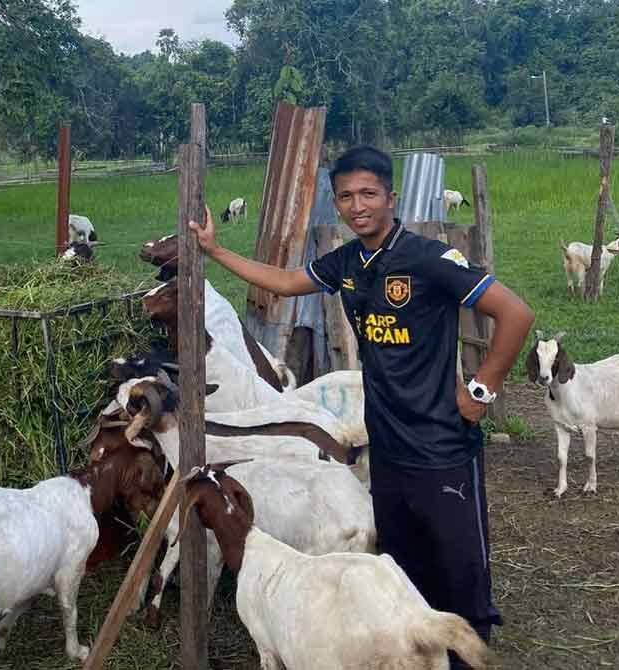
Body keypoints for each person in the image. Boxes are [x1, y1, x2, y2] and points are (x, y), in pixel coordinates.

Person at [189, 145, 534, 666]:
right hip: (387, 448)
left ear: (391, 197)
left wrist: (481, 391)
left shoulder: (428, 259)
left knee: (461, 573)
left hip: (443, 445)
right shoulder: (347, 262)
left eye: (369, 193)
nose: (357, 205)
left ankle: (468, 655)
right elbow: (284, 283)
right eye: (346, 196)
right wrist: (215, 251)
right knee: (402, 569)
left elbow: (515, 313)